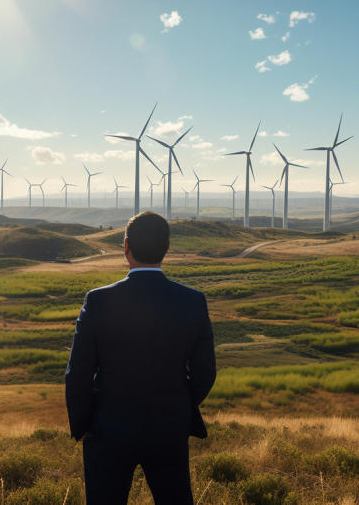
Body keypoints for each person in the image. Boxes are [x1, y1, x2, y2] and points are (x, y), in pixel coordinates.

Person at [65, 211, 216, 504]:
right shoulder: (192, 301)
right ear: (166, 248)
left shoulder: (97, 300)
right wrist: (178, 406)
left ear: (125, 246)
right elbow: (205, 371)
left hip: (107, 429)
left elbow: (78, 372)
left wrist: (85, 424)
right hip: (168, 429)